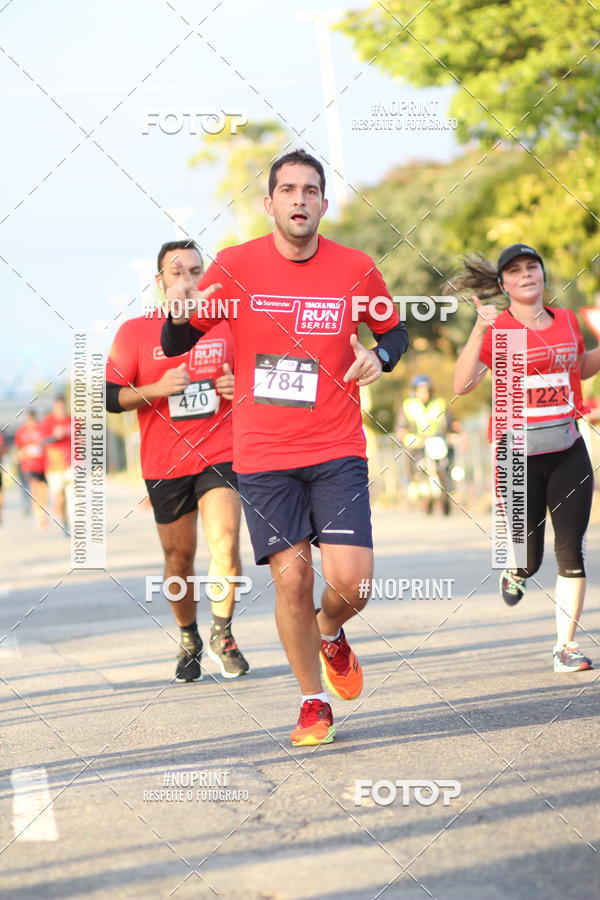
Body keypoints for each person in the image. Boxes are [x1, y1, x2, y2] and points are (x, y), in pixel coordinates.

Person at [161, 149, 408, 744]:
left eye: (311, 190)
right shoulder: (235, 266)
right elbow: (175, 340)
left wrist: (381, 355)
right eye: (288, 190)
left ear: (323, 202)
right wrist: (180, 311)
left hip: (337, 447)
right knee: (292, 580)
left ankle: (331, 632)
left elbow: (395, 329)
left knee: (354, 585)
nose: (300, 199)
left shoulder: (355, 267)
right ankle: (312, 701)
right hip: (265, 456)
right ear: (268, 203)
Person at [106, 239, 249, 682]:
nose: (187, 280)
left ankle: (222, 633)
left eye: (194, 271)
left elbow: (263, 376)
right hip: (164, 463)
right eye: (176, 272)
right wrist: (156, 389)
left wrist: (236, 386)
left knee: (224, 542)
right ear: (159, 281)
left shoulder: (226, 324)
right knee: (178, 559)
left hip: (220, 452)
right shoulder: (135, 331)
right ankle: (189, 637)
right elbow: (109, 396)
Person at [452, 243, 600, 672]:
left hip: (568, 450)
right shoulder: (499, 330)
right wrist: (479, 330)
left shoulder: (568, 320)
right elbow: (462, 385)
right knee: (529, 559)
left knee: (571, 550)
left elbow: (581, 368)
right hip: (516, 457)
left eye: (532, 267)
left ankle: (565, 647)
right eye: (515, 271)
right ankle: (515, 571)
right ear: (504, 284)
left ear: (543, 273)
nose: (526, 275)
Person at [396, 374, 457, 514]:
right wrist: (403, 433)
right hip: (417, 442)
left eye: (427, 390)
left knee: (446, 461)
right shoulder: (408, 405)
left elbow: (449, 420)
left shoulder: (439, 403)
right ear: (415, 391)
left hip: (436, 440)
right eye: (421, 390)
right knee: (411, 459)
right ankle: (414, 482)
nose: (425, 393)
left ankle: (449, 486)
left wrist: (453, 431)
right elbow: (401, 425)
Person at [40, 396, 72, 535]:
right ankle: (64, 523)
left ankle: (76, 525)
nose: (61, 409)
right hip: (54, 467)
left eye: (63, 406)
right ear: (54, 407)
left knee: (75, 496)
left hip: (72, 465)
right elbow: (42, 441)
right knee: (59, 498)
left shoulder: (72, 420)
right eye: (58, 407)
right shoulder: (48, 422)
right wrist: (55, 436)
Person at [14, 409, 48, 529]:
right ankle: (39, 515)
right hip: (29, 466)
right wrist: (21, 453)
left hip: (43, 466)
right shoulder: (21, 432)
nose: (30, 423)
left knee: (43, 491)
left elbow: (47, 445)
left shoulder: (42, 430)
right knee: (35, 488)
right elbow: (18, 449)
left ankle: (42, 511)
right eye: (28, 421)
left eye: (32, 421)